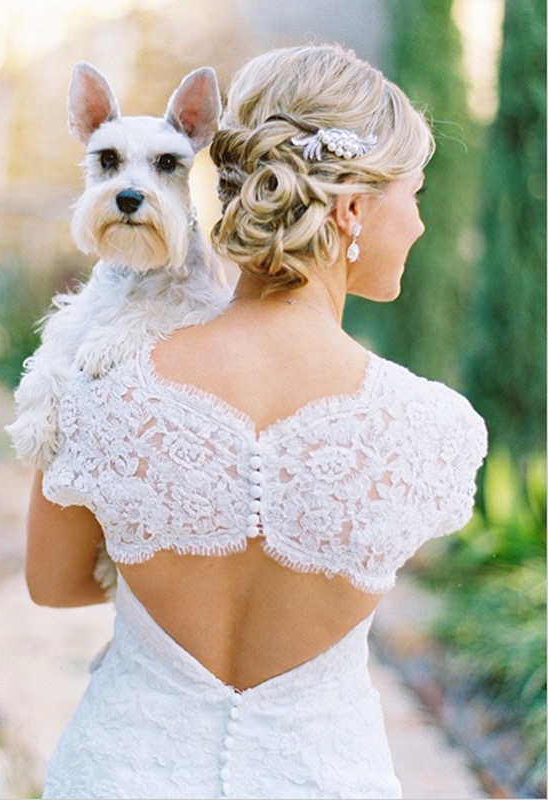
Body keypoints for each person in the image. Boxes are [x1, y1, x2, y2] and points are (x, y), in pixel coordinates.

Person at [26, 43, 487, 799]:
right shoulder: (432, 428)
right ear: (350, 209)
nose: (422, 225)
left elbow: (53, 583)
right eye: (418, 194)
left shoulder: (94, 382)